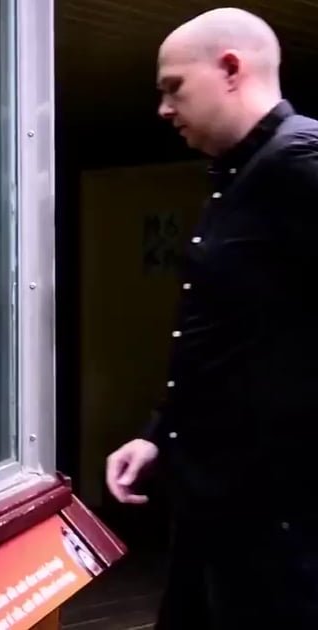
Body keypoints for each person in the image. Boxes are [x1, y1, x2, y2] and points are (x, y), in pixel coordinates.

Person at [103, 7, 318, 629]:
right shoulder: (242, 175)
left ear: (230, 69)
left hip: (280, 527)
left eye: (173, 88)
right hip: (219, 508)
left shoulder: (301, 163)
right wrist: (159, 433)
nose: (164, 109)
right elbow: (226, 339)